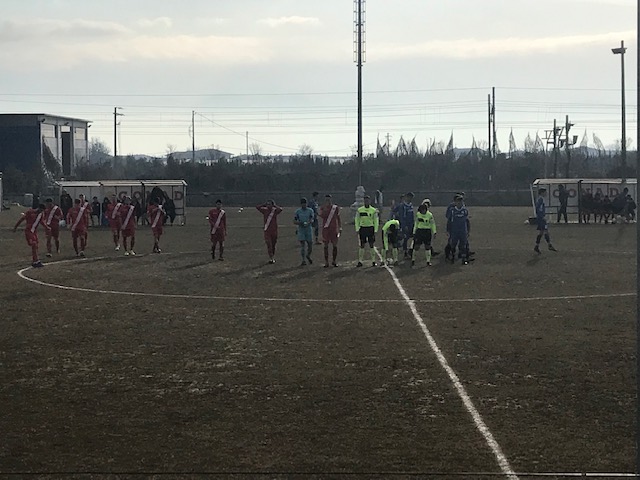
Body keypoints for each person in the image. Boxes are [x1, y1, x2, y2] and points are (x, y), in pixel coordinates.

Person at [13, 203, 49, 268]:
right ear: (38, 208)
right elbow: (22, 219)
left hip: (34, 232)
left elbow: (42, 222)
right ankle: (35, 261)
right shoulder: (30, 212)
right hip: (29, 231)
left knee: (36, 246)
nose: (41, 211)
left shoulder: (41, 214)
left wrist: (46, 227)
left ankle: (36, 261)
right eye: (41, 210)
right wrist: (15, 227)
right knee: (34, 245)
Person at [318, 194, 342, 268]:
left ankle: (334, 261)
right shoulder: (322, 208)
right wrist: (324, 211)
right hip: (326, 229)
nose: (328, 201)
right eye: (326, 199)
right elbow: (321, 216)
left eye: (329, 199)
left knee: (335, 245)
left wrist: (340, 227)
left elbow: (338, 217)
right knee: (326, 245)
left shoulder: (335, 207)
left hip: (333, 228)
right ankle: (326, 262)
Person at [355, 194, 379, 267]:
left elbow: (376, 220)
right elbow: (357, 219)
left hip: (370, 228)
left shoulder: (373, 210)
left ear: (370, 201)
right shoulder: (360, 210)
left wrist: (375, 229)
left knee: (371, 245)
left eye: (368, 200)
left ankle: (373, 260)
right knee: (362, 245)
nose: (366, 202)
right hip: (363, 228)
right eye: (365, 200)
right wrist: (357, 228)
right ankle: (360, 261)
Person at [256, 200, 283, 264]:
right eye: (267, 204)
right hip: (267, 230)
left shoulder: (275, 211)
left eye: (269, 204)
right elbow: (257, 207)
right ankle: (271, 258)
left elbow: (281, 209)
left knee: (273, 244)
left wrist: (274, 205)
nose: (268, 205)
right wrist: (264, 204)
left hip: (274, 230)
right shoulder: (265, 210)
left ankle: (272, 255)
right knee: (269, 244)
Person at [447, 194, 471, 264]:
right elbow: (449, 221)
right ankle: (453, 257)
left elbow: (467, 221)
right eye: (458, 201)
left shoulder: (465, 210)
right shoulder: (452, 211)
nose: (459, 203)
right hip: (454, 231)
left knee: (463, 244)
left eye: (461, 201)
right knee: (453, 244)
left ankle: (464, 259)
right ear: (455, 202)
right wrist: (448, 230)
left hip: (463, 230)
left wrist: (468, 230)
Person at [412, 199, 436, 267]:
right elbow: (416, 223)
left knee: (427, 247)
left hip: (427, 231)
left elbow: (432, 224)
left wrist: (434, 232)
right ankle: (413, 259)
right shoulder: (418, 214)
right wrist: (414, 231)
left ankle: (428, 261)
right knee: (416, 246)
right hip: (419, 231)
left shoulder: (430, 215)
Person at [534, 187, 557, 254]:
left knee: (542, 232)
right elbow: (538, 208)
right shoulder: (540, 199)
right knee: (545, 231)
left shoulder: (541, 199)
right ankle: (548, 245)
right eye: (545, 192)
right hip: (541, 218)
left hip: (541, 218)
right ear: (542, 193)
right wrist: (541, 216)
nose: (546, 193)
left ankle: (538, 246)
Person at [294, 197, 315, 266]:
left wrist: (308, 223)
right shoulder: (298, 211)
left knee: (310, 245)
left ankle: (308, 255)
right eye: (303, 204)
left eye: (305, 204)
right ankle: (303, 260)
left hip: (308, 229)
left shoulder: (310, 211)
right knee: (303, 245)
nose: (304, 205)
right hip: (301, 229)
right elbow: (294, 220)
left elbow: (312, 219)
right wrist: (300, 223)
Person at [398, 192, 415, 258]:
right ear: (407, 197)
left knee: (414, 237)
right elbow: (402, 217)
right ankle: (405, 252)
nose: (410, 199)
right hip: (406, 225)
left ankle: (410, 250)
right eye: (410, 197)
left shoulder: (411, 205)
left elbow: (412, 215)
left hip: (411, 224)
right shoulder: (403, 206)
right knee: (406, 238)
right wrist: (404, 226)